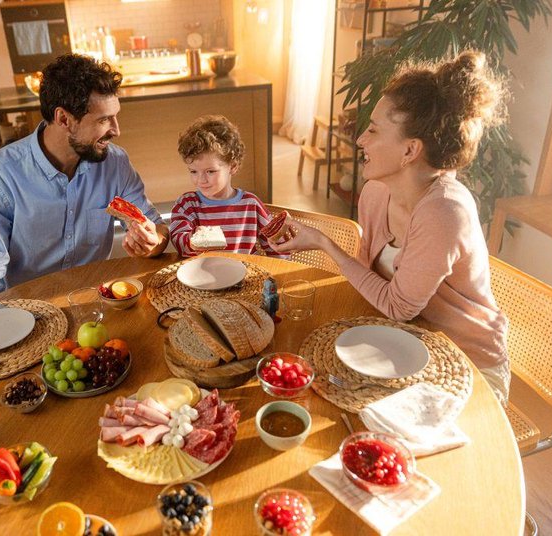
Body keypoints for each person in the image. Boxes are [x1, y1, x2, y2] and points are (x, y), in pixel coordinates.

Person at [269, 51, 511, 404]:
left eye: (373, 130)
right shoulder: (375, 192)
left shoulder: (444, 212)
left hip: (467, 363)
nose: (360, 140)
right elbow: (372, 284)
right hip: (406, 344)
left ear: (410, 150)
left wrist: (325, 244)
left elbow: (398, 307)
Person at [0, 54, 169, 306]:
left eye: (115, 116)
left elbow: (158, 229)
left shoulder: (115, 163)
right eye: (103, 119)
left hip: (95, 301)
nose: (116, 130)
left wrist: (151, 242)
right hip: (28, 309)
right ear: (63, 119)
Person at [169, 115, 286, 258]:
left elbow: (278, 247)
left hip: (245, 270)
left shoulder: (251, 204)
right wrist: (195, 240)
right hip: (201, 271)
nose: (201, 180)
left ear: (233, 166)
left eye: (210, 171)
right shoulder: (186, 204)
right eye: (193, 171)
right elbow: (179, 243)